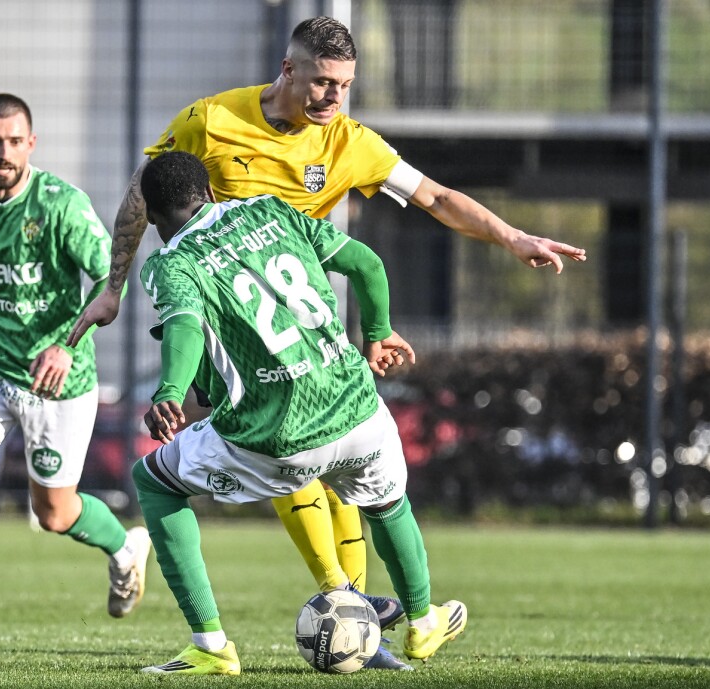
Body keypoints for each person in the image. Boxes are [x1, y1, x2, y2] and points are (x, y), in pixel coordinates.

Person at [67, 15, 586, 640]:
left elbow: (437, 197)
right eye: (322, 82)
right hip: (224, 324)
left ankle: (354, 608)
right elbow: (145, 193)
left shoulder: (349, 142)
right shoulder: (212, 119)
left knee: (331, 466)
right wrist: (114, 285)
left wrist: (511, 236)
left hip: (303, 314)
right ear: (288, 70)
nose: (333, 98)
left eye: (344, 85)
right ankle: (351, 601)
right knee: (299, 451)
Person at [132, 151, 466, 675]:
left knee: (153, 481)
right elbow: (367, 264)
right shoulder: (272, 211)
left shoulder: (172, 263)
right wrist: (377, 332)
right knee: (387, 503)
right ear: (212, 193)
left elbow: (185, 328)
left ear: (151, 216)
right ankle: (423, 621)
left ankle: (212, 646)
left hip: (277, 439)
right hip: (358, 414)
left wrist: (168, 391)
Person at [0, 93, 152, 644]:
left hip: (57, 380)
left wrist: (67, 344)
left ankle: (126, 547)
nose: (5, 151)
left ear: (31, 144)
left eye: (15, 141)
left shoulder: (61, 204)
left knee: (56, 513)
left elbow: (112, 276)